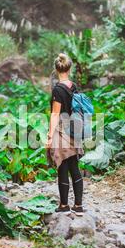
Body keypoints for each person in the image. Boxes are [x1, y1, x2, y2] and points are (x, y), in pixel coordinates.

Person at [46, 53, 84, 216]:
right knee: (75, 167)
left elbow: (55, 114)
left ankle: (63, 205)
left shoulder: (57, 89)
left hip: (62, 131)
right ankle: (78, 205)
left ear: (56, 69)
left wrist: (49, 136)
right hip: (75, 129)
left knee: (62, 167)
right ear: (69, 68)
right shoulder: (73, 86)